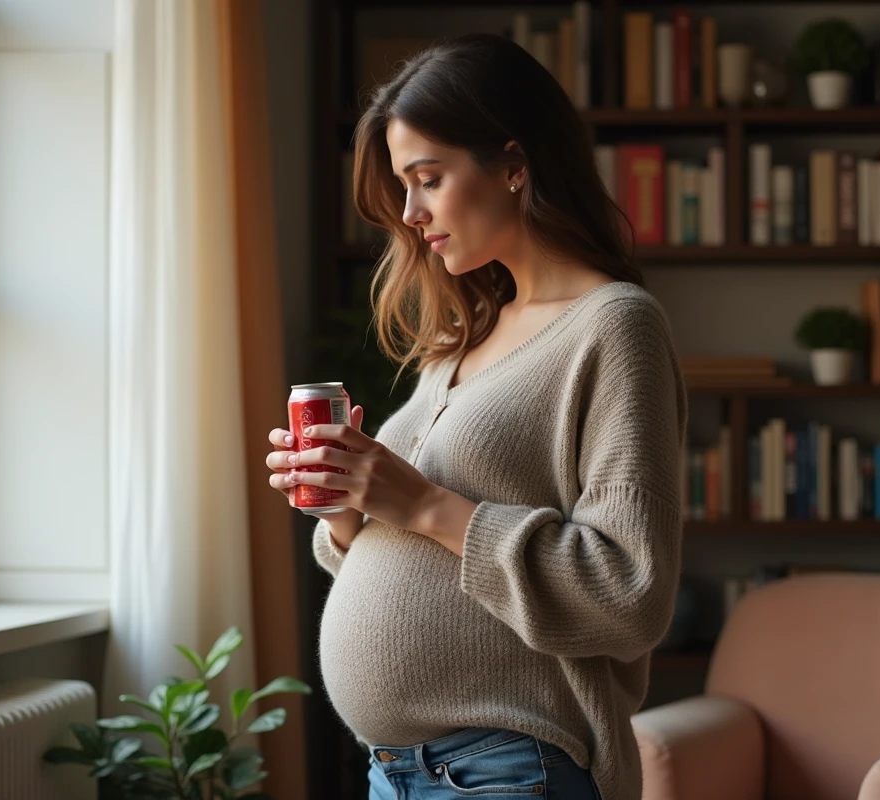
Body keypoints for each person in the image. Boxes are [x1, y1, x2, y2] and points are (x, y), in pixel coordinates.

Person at [266, 32, 687, 800]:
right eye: (403, 187)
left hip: (508, 770)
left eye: (428, 179)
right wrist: (348, 510)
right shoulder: (466, 338)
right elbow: (426, 560)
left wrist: (425, 505)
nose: (410, 213)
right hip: (398, 773)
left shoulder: (613, 326)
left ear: (514, 165)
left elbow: (631, 594)